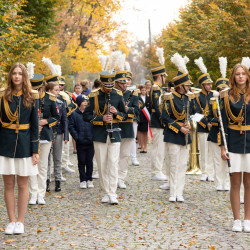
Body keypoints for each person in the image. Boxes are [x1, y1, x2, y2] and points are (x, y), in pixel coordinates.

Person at [0, 63, 39, 234]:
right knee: (8, 185)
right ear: (10, 76)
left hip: (24, 144)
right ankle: (11, 221)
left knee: (23, 185)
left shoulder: (31, 96)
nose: (17, 76)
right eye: (14, 73)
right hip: (6, 144)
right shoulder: (2, 95)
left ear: (24, 77)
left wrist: (35, 150)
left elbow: (35, 125)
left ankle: (21, 221)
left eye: (20, 74)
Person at [83, 72, 127, 205]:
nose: (109, 89)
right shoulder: (93, 96)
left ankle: (112, 193)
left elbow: (124, 115)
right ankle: (106, 191)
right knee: (102, 164)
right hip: (99, 134)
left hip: (115, 133)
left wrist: (116, 113)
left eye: (111, 86)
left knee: (113, 163)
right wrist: (101, 119)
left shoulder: (118, 95)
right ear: (101, 84)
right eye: (106, 86)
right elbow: (86, 115)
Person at [220, 63, 250, 232]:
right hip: (233, 142)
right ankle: (237, 219)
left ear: (247, 76)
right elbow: (222, 125)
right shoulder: (226, 96)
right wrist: (223, 148)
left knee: (249, 183)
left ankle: (248, 219)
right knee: (235, 183)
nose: (240, 76)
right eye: (237, 74)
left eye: (243, 74)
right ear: (233, 77)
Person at [161, 55, 193, 202]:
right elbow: (165, 118)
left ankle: (180, 192)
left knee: (182, 166)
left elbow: (192, 114)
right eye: (187, 85)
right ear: (180, 86)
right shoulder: (169, 98)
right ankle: (172, 192)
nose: (189, 87)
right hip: (173, 135)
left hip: (186, 136)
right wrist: (180, 127)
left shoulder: (187, 98)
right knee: (173, 165)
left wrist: (190, 124)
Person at [29, 75, 60, 206]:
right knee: (32, 166)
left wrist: (45, 122)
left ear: (42, 87)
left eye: (39, 89)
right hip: (30, 136)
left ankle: (41, 194)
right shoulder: (28, 98)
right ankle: (32, 194)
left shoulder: (50, 98)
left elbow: (56, 117)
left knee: (42, 167)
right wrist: (34, 124)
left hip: (45, 136)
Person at [207, 57, 230, 191]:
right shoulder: (213, 102)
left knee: (227, 159)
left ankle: (226, 182)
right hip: (215, 134)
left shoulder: (231, 102)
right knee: (217, 160)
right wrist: (218, 121)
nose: (222, 91)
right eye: (220, 89)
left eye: (225, 89)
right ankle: (219, 183)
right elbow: (209, 117)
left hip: (227, 134)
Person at [115, 71, 139, 189]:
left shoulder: (133, 94)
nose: (125, 85)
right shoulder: (112, 94)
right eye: (122, 83)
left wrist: (127, 108)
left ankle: (121, 178)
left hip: (127, 127)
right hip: (114, 127)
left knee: (124, 155)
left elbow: (137, 111)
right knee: (113, 155)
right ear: (116, 83)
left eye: (126, 82)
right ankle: (112, 177)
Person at [194, 57, 214, 182]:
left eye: (210, 83)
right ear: (202, 85)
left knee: (211, 151)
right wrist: (206, 124)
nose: (210, 85)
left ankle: (211, 172)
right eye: (207, 84)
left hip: (213, 125)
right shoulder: (197, 96)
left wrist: (213, 123)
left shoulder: (214, 94)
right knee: (203, 150)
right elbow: (194, 113)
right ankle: (204, 172)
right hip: (202, 126)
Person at [46, 82, 69, 192]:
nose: (58, 92)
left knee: (57, 157)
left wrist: (66, 135)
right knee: (47, 159)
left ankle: (58, 181)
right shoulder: (44, 102)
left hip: (58, 132)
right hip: (47, 133)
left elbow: (65, 119)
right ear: (49, 91)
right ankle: (46, 180)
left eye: (58, 90)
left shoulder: (61, 102)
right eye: (55, 90)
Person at [69, 95, 94, 189]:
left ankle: (89, 179)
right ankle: (83, 180)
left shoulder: (91, 113)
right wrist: (77, 137)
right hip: (80, 142)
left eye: (86, 101)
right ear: (79, 103)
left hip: (90, 141)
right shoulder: (74, 114)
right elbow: (71, 127)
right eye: (83, 101)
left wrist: (93, 136)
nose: (85, 103)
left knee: (89, 161)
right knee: (81, 161)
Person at [149, 66, 168, 181]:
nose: (165, 78)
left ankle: (158, 170)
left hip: (159, 121)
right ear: (160, 76)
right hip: (158, 121)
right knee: (158, 148)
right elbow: (158, 107)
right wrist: (164, 120)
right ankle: (156, 171)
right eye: (164, 76)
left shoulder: (159, 88)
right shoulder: (156, 88)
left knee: (160, 148)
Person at [137, 85, 150, 153]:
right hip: (140, 117)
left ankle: (145, 147)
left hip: (146, 117)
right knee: (141, 132)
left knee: (145, 132)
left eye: (145, 90)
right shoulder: (138, 98)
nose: (143, 91)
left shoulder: (148, 98)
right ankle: (141, 146)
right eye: (142, 90)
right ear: (140, 91)